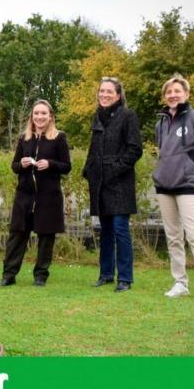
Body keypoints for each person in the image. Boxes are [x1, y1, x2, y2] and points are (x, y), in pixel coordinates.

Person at [153, 73, 194, 302]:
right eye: (169, 92)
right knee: (173, 238)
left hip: (189, 185)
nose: (173, 95)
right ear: (165, 96)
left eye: (177, 91)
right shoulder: (160, 123)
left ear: (186, 94)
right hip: (164, 186)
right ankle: (180, 282)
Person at [0, 99, 71, 287]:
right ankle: (8, 275)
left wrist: (50, 164)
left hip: (48, 198)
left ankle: (40, 275)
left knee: (46, 237)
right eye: (36, 113)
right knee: (17, 236)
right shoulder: (24, 138)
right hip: (24, 197)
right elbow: (14, 166)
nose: (39, 117)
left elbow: (66, 166)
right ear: (32, 117)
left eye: (43, 113)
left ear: (50, 117)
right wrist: (21, 164)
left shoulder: (59, 138)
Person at [83, 77, 142, 292]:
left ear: (118, 95)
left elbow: (135, 149)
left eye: (109, 91)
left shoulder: (128, 116)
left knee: (120, 228)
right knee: (105, 229)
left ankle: (125, 278)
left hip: (120, 183)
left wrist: (115, 169)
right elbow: (93, 148)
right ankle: (106, 273)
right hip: (99, 182)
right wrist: (88, 170)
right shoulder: (97, 117)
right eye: (101, 91)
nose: (104, 95)